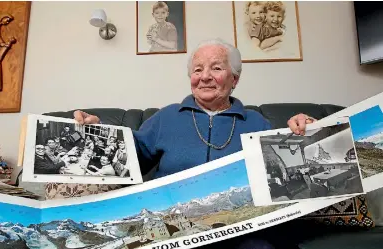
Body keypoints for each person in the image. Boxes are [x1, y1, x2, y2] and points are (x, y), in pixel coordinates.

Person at [73, 38, 315, 249]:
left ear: (235, 79)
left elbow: (284, 170)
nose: (205, 76)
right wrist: (100, 132)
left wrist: (307, 131)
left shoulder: (255, 121)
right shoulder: (167, 117)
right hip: (173, 230)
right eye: (197, 69)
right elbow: (130, 158)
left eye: (216, 68)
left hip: (238, 229)